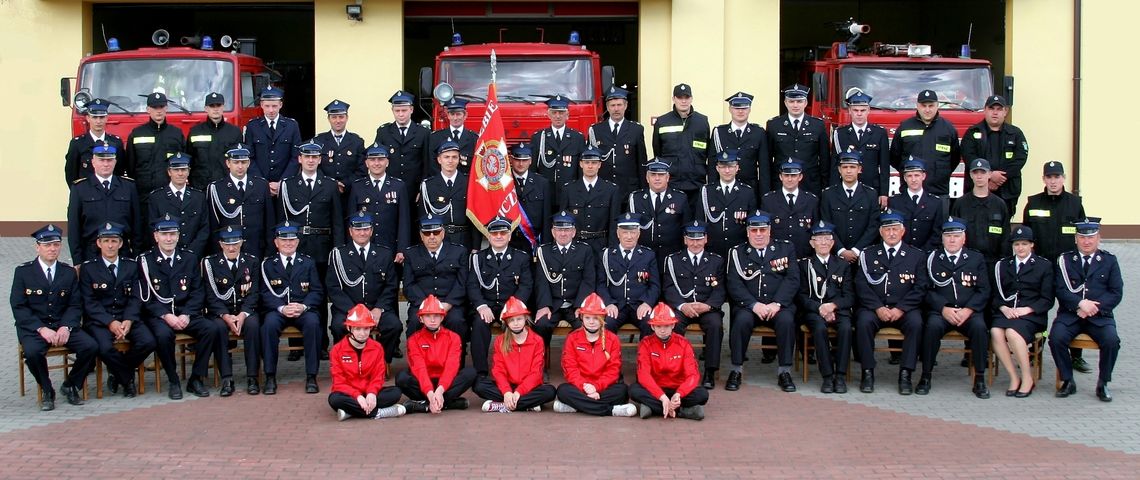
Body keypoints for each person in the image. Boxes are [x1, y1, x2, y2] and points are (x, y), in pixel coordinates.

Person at [11, 225, 98, 410]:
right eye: (47, 245)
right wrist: (41, 329)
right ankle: (47, 390)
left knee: (91, 346)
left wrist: (66, 326)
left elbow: (75, 304)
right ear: (37, 247)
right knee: (33, 353)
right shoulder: (23, 272)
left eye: (56, 245)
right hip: (35, 328)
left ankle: (71, 385)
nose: (52, 249)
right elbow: (19, 307)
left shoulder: (67, 272)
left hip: (62, 326)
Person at [137, 215, 222, 399]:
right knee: (163, 335)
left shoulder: (189, 258)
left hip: (185, 313)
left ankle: (196, 378)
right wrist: (166, 316)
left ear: (178, 235)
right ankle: (173, 379)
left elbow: (198, 292)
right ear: (156, 236)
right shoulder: (145, 261)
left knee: (211, 329)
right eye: (164, 234)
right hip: (160, 315)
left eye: (173, 234)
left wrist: (187, 314)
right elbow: (146, 297)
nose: (169, 239)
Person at [278, 141, 345, 357]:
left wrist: (337, 250)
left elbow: (337, 221)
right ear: (300, 159)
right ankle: (296, 344)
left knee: (320, 294)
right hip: (294, 246)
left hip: (322, 245)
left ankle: (321, 344)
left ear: (320, 159)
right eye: (306, 157)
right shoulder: (288, 185)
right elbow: (282, 219)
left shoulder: (329, 185)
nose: (310, 160)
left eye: (315, 157)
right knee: (294, 290)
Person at [1022, 161, 1089, 372]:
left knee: (1073, 309)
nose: (1053, 181)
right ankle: (1035, 351)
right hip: (1041, 269)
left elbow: (1082, 236)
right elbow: (1026, 237)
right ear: (1043, 179)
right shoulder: (1033, 203)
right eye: (1049, 177)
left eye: (1057, 177)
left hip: (1068, 269)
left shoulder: (1074, 204)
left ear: (1064, 178)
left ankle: (1075, 355)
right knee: (1036, 310)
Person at [853, 211, 929, 395]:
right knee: (862, 322)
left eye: (895, 229)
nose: (892, 233)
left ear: (903, 231)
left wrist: (901, 308)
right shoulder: (868, 254)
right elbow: (861, 285)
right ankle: (867, 372)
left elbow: (920, 287)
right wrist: (878, 307)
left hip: (904, 309)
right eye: (887, 230)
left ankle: (906, 374)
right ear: (881, 232)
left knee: (916, 323)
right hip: (875, 307)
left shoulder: (916, 255)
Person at [724, 211, 800, 392]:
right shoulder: (737, 252)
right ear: (748, 232)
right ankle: (736, 370)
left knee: (787, 321)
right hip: (749, 306)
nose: (759, 234)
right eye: (754, 230)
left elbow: (792, 279)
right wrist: (753, 304)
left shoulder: (785, 249)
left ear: (769, 231)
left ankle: (784, 371)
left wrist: (777, 303)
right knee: (740, 321)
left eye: (762, 230)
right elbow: (734, 283)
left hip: (778, 306)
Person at [79, 222, 155, 399]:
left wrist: (128, 319)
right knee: (104, 348)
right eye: (106, 241)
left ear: (121, 244)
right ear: (99, 243)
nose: (110, 245)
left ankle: (117, 373)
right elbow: (89, 302)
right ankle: (127, 380)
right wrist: (110, 322)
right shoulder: (89, 268)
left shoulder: (131, 265)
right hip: (101, 321)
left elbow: (137, 296)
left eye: (114, 241)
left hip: (127, 318)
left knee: (148, 342)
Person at [1051, 217, 1123, 402]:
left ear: (1098, 238)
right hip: (1071, 314)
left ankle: (1103, 383)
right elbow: (1060, 289)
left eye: (1091, 237)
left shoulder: (1109, 261)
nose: (1087, 242)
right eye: (1082, 238)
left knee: (1112, 341)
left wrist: (1091, 308)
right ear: (1076, 239)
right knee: (1055, 338)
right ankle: (1068, 380)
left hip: (1099, 316)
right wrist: (1079, 304)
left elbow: (1116, 292)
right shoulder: (1065, 260)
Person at [919, 217, 992, 398]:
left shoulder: (976, 258)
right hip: (942, 311)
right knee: (931, 328)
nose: (952, 240)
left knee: (980, 328)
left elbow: (984, 290)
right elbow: (925, 289)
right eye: (948, 236)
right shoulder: (931, 258)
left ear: (964, 238)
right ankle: (925, 376)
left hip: (969, 311)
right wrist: (943, 308)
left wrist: (968, 310)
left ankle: (980, 379)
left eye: (956, 236)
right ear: (942, 238)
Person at [260, 221, 325, 395]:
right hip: (279, 310)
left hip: (302, 310)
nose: (288, 243)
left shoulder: (308, 262)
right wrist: (281, 308)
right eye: (284, 240)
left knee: (313, 324)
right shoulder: (267, 265)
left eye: (292, 240)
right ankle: (270, 376)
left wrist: (303, 306)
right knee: (268, 326)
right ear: (276, 242)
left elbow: (317, 291)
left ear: (297, 242)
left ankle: (312, 376)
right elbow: (264, 293)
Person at [326, 213, 401, 363]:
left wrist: (379, 309)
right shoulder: (339, 255)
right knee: (337, 327)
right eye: (358, 229)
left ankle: (379, 362)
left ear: (372, 231)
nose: (362, 233)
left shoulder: (384, 253)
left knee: (394, 326)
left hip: (375, 308)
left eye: (366, 229)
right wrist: (352, 311)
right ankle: (349, 362)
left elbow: (391, 285)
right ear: (350, 231)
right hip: (349, 308)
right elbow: (333, 287)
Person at [991, 226, 1054, 398]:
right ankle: (1013, 377)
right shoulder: (1003, 265)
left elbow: (1047, 299)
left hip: (1031, 315)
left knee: (1012, 332)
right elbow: (995, 295)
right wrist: (1004, 308)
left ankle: (1027, 378)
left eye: (1024, 244)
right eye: (1017, 244)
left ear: (1032, 245)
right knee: (996, 331)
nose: (1020, 248)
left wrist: (1026, 310)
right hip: (1007, 312)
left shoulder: (1044, 265)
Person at [467, 217, 534, 377]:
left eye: (503, 233)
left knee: (517, 325)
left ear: (509, 236)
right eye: (494, 233)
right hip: (487, 305)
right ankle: (481, 373)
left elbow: (526, 285)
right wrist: (481, 306)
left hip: (511, 305)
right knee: (479, 325)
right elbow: (472, 285)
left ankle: (515, 371)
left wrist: (513, 307)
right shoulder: (478, 259)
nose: (498, 236)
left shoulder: (521, 257)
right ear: (488, 236)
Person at [662, 221, 725, 388]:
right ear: (685, 240)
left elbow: (720, 290)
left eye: (699, 239)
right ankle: (676, 369)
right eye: (691, 239)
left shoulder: (716, 261)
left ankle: (710, 372)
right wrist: (682, 306)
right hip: (683, 307)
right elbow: (668, 288)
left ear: (706, 239)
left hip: (707, 308)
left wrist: (709, 306)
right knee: (672, 324)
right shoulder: (673, 260)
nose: (695, 243)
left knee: (715, 325)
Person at [553, 292, 637, 417]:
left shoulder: (612, 339)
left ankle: (577, 407)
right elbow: (570, 369)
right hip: (581, 386)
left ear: (603, 318)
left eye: (596, 318)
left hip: (603, 387)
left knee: (623, 391)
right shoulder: (572, 338)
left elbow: (613, 370)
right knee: (562, 390)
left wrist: (596, 387)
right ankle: (611, 410)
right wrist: (585, 387)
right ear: (581, 318)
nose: (591, 322)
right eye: (587, 318)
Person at [201, 226, 262, 396]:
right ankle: (227, 378)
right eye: (227, 244)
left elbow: (254, 292)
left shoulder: (252, 261)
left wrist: (243, 314)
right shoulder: (211, 263)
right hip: (221, 312)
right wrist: (226, 316)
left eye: (235, 243)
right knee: (218, 328)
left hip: (245, 310)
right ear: (220, 244)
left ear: (242, 242)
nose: (231, 248)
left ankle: (252, 377)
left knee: (253, 326)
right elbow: (210, 296)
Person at [797, 221, 854, 394]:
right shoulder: (804, 265)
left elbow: (850, 296)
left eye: (827, 239)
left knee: (845, 329)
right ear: (811, 243)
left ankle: (841, 375)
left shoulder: (843, 265)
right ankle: (827, 376)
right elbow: (800, 295)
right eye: (819, 239)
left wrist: (833, 306)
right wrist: (820, 308)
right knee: (819, 329)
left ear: (832, 242)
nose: (823, 243)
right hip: (814, 311)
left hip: (838, 310)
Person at [475, 297, 556, 412]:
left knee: (550, 392)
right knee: (479, 386)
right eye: (512, 320)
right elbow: (498, 370)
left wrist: (519, 392)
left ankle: (503, 406)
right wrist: (507, 392)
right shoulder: (500, 340)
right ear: (506, 323)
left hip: (528, 388)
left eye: (519, 319)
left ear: (525, 319)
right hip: (507, 386)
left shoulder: (537, 340)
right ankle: (527, 404)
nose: (516, 323)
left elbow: (536, 373)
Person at [397, 295, 476, 414]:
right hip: (423, 381)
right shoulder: (413, 340)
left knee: (470, 373)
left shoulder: (454, 338)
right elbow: (419, 369)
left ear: (442, 318)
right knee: (401, 378)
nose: (432, 320)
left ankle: (424, 405)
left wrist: (439, 391)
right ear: (421, 319)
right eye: (428, 316)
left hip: (445, 383)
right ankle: (447, 403)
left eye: (436, 316)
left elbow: (452, 367)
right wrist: (430, 393)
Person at [328, 304, 407, 421]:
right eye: (358, 328)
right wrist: (358, 396)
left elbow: (378, 376)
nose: (362, 333)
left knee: (396, 392)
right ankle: (380, 413)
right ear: (349, 328)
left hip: (370, 394)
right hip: (350, 394)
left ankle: (350, 412)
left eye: (366, 328)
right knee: (334, 399)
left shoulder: (377, 347)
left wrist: (372, 393)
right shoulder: (337, 350)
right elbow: (338, 382)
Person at [629, 303, 708, 420]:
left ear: (673, 325)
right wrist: (662, 397)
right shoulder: (645, 344)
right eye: (658, 326)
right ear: (652, 327)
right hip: (656, 389)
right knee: (633, 391)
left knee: (702, 394)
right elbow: (643, 375)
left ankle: (653, 408)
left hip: (678, 388)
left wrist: (679, 393)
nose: (662, 330)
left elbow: (693, 375)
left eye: (666, 326)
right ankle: (683, 411)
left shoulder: (684, 343)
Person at [67, 143, 142, 263]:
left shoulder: (129, 187)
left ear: (115, 162)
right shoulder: (80, 188)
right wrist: (77, 261)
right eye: (101, 160)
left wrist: (137, 255)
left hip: (122, 253)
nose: (106, 164)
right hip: (91, 253)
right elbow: (74, 228)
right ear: (93, 162)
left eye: (109, 160)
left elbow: (137, 225)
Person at [532, 211, 597, 349]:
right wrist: (544, 305)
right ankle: (540, 366)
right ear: (553, 232)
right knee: (540, 325)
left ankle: (579, 364)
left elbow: (588, 281)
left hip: (575, 304)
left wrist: (581, 305)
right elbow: (541, 282)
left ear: (573, 232)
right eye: (559, 230)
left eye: (567, 230)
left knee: (585, 326)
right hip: (552, 304)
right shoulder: (543, 251)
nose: (563, 233)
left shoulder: (585, 250)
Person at [402, 216, 469, 339]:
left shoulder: (459, 252)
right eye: (427, 233)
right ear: (421, 236)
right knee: (414, 323)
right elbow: (408, 284)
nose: (432, 236)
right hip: (422, 303)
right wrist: (426, 305)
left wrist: (448, 304)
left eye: (436, 232)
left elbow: (462, 282)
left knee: (457, 322)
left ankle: (458, 357)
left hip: (449, 303)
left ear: (442, 233)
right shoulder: (411, 254)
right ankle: (416, 357)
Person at [961, 95, 1028, 215]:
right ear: (985, 110)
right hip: (977, 191)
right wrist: (990, 176)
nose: (995, 113)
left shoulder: (1016, 134)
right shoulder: (972, 133)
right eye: (992, 109)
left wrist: (999, 179)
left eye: (999, 109)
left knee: (1002, 227)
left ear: (1005, 112)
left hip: (1007, 191)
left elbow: (1020, 159)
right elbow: (969, 157)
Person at [888, 89, 961, 198]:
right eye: (923, 105)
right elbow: (894, 157)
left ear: (937, 106)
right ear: (917, 106)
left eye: (931, 106)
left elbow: (955, 158)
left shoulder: (948, 129)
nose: (927, 110)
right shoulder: (905, 127)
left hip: (939, 192)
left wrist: (941, 174)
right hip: (910, 192)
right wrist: (908, 172)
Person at [207, 145, 274, 258]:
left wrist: (269, 253)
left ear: (248, 163)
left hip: (256, 250)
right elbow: (213, 226)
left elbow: (269, 222)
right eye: (236, 162)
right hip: (228, 251)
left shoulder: (261, 185)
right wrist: (216, 255)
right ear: (228, 163)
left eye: (243, 162)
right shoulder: (216, 188)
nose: (240, 166)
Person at [598, 212, 660, 336]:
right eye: (625, 232)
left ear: (639, 234)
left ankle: (646, 355)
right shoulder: (607, 255)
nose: (629, 236)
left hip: (639, 305)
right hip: (616, 306)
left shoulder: (648, 255)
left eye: (632, 232)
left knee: (651, 324)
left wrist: (647, 303)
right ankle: (610, 355)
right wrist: (609, 303)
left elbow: (655, 285)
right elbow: (600, 284)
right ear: (618, 233)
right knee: (606, 325)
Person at [346, 144, 411, 260]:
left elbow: (404, 221)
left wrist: (402, 249)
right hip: (364, 247)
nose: (376, 163)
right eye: (372, 160)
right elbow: (351, 221)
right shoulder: (357, 186)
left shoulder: (398, 186)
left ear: (387, 162)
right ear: (366, 163)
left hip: (390, 247)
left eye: (381, 159)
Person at [125, 92, 185, 215]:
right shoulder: (137, 134)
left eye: (161, 107)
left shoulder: (176, 134)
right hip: (143, 196)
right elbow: (130, 166)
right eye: (154, 108)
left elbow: (183, 163)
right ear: (148, 109)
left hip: (170, 195)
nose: (159, 111)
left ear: (166, 109)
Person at [558, 147, 621, 257]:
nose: (590, 166)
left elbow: (613, 223)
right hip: (576, 245)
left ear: (600, 165)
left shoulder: (611, 190)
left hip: (601, 245)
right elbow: (563, 222)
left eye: (594, 162)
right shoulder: (569, 189)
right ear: (581, 164)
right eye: (587, 162)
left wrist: (612, 249)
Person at [766, 84, 829, 195]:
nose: (795, 105)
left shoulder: (817, 125)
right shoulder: (774, 125)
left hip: (810, 184)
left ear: (805, 103)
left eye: (799, 101)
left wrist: (825, 187)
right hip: (782, 185)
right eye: (791, 101)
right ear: (785, 103)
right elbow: (768, 159)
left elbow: (824, 160)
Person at [651, 83, 710, 201]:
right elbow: (657, 151)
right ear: (673, 99)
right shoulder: (662, 121)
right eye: (679, 97)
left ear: (691, 99)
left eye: (686, 97)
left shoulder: (702, 121)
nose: (683, 101)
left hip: (696, 184)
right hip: (671, 184)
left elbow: (707, 150)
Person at [627, 160, 691, 263]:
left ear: (667, 177)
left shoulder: (680, 198)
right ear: (647, 178)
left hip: (672, 257)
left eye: (661, 175)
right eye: (653, 175)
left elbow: (686, 229)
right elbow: (629, 228)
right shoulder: (636, 198)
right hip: (643, 257)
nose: (657, 178)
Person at [820, 151, 879, 265]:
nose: (848, 171)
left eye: (852, 167)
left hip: (863, 255)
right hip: (836, 255)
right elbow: (826, 225)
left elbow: (874, 226)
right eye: (845, 167)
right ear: (839, 169)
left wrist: (856, 250)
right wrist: (841, 250)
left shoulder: (870, 194)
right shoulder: (828, 194)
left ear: (859, 169)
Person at [590, 86, 649, 197]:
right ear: (607, 107)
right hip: (602, 190)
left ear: (625, 106)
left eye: (619, 105)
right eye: (612, 105)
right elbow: (590, 161)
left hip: (628, 189)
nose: (616, 109)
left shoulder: (636, 130)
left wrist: (643, 190)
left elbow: (641, 162)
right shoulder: (596, 130)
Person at [146, 153, 209, 256]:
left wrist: (192, 252)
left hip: (194, 255)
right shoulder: (157, 197)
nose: (180, 173)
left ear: (189, 171)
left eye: (184, 170)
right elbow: (152, 228)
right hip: (167, 255)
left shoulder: (198, 197)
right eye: (176, 170)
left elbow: (204, 228)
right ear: (169, 172)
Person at [420, 140, 478, 250]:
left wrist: (476, 247)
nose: (450, 161)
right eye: (446, 157)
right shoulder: (428, 185)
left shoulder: (469, 182)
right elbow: (423, 217)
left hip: (464, 239)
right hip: (438, 240)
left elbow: (475, 217)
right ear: (439, 159)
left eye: (454, 157)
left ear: (459, 159)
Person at [244, 87, 302, 197]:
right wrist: (262, 183)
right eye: (267, 106)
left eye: (274, 106)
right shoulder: (252, 126)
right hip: (259, 186)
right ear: (261, 105)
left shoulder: (291, 126)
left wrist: (282, 182)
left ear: (280, 105)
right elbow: (249, 157)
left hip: (285, 186)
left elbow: (296, 157)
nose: (271, 110)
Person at [951, 159, 1010, 267]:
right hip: (966, 262)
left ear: (990, 174)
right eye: (975, 172)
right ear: (970, 175)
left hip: (993, 262)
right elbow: (953, 234)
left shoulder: (999, 204)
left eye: (983, 172)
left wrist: (1003, 263)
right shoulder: (960, 204)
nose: (979, 176)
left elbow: (1005, 238)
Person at [698, 150, 756, 258]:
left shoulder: (747, 192)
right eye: (723, 167)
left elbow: (752, 224)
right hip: (713, 250)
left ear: (737, 168)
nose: (727, 170)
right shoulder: (706, 191)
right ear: (717, 168)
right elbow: (700, 222)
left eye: (731, 166)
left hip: (739, 250)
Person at [709, 91, 769, 193]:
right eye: (736, 108)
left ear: (749, 109)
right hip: (725, 191)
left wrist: (764, 196)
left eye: (744, 108)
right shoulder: (719, 132)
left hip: (750, 190)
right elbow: (712, 165)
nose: (740, 111)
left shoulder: (758, 133)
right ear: (730, 109)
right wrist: (712, 191)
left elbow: (764, 168)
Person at [374, 90, 430, 193]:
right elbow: (377, 161)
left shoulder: (423, 133)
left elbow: (427, 163)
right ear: (392, 110)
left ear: (411, 109)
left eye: (404, 110)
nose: (400, 114)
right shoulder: (383, 132)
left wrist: (423, 190)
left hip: (414, 189)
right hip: (389, 189)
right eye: (397, 111)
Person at [761, 160, 819, 260]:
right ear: (780, 177)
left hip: (804, 256)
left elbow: (816, 231)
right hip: (777, 257)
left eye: (793, 176)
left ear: (800, 177)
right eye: (786, 175)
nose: (790, 179)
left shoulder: (811, 200)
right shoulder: (768, 200)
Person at [533, 94, 586, 199]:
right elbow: (533, 169)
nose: (558, 116)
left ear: (567, 115)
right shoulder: (538, 137)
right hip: (545, 193)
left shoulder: (578, 138)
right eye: (554, 112)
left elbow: (581, 170)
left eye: (561, 112)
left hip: (570, 193)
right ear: (549, 115)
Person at [187, 92, 243, 189]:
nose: (215, 108)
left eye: (218, 105)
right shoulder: (195, 131)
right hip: (200, 186)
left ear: (223, 107)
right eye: (212, 106)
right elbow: (189, 159)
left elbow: (240, 160)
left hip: (227, 185)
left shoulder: (235, 132)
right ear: (206, 109)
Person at [888, 158, 946, 252]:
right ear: (905, 178)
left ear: (923, 176)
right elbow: (892, 231)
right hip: (901, 254)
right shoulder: (894, 201)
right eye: (910, 176)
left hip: (926, 253)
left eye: (917, 175)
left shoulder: (935, 202)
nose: (913, 179)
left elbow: (937, 233)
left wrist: (922, 253)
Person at [64, 98, 125, 184]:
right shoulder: (77, 144)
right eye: (94, 117)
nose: (98, 121)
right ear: (88, 118)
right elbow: (71, 175)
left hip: (111, 194)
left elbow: (119, 172)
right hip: (86, 195)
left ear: (107, 118)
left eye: (102, 117)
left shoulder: (116, 143)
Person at [312, 99, 365, 195]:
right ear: (328, 119)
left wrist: (344, 184)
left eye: (341, 117)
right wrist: (330, 184)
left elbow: (362, 170)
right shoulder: (319, 141)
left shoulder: (357, 142)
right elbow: (314, 168)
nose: (338, 121)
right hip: (324, 192)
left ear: (347, 118)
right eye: (334, 117)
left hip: (349, 193)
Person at [508, 143, 553, 252]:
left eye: (525, 160)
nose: (521, 163)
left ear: (531, 161)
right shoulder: (504, 182)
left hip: (534, 242)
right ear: (511, 160)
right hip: (509, 241)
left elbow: (546, 217)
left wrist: (546, 245)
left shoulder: (542, 183)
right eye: (517, 159)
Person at [428, 98, 479, 176]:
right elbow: (432, 164)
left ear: (465, 115)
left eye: (458, 114)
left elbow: (477, 165)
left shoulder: (474, 138)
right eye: (452, 114)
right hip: (442, 184)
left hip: (466, 183)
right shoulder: (436, 137)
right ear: (448, 115)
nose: (455, 118)